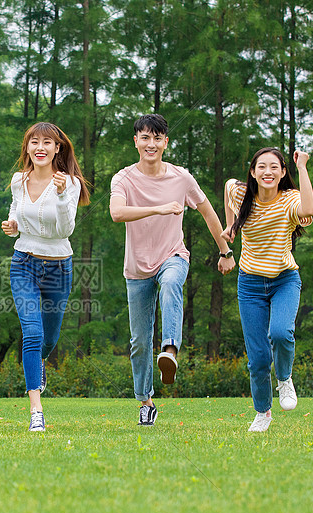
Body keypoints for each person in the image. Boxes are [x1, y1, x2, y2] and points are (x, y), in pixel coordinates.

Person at [110, 114, 235, 427]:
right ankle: (145, 401)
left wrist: (225, 250)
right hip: (137, 267)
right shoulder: (123, 178)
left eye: (157, 138)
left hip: (173, 255)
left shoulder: (181, 178)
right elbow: (116, 213)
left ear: (166, 142)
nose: (151, 144)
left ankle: (169, 350)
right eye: (144, 138)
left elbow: (208, 212)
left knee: (171, 284)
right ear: (135, 142)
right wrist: (159, 208)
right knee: (139, 341)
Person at [2, 122, 89, 432]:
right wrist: (13, 224)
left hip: (58, 267)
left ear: (57, 149)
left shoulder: (70, 183)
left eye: (47, 142)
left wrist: (64, 195)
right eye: (34, 142)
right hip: (23, 262)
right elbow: (17, 209)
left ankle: (37, 368)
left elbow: (66, 229)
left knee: (49, 339)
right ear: (27, 148)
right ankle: (36, 409)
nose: (40, 147)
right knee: (33, 334)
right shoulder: (18, 181)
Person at [222, 148, 313, 432]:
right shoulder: (240, 195)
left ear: (283, 173)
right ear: (253, 172)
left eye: (274, 167)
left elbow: (308, 210)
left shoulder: (290, 200)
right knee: (259, 358)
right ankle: (263, 412)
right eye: (261, 167)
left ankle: (284, 379)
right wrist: (230, 226)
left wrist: (303, 167)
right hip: (250, 285)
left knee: (281, 333)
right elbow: (227, 187)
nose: (268, 172)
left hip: (284, 280)